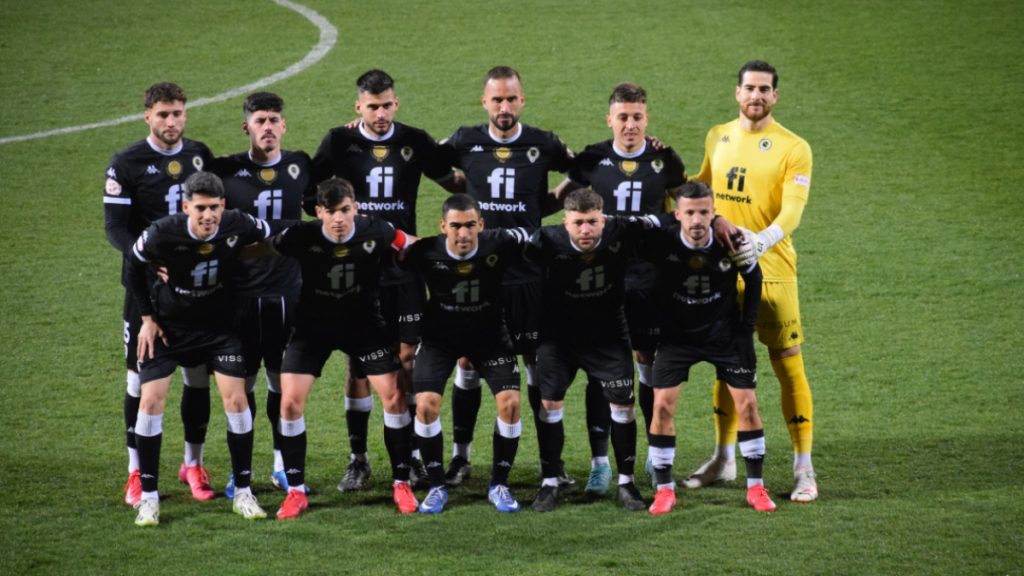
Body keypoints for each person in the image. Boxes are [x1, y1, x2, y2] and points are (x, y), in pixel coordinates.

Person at [311, 69, 458, 492]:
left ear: (397, 104)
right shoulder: (338, 142)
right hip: (359, 269)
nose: (379, 113)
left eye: (386, 105)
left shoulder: (414, 140)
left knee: (407, 358)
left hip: (405, 266)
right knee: (357, 362)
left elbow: (453, 178)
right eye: (371, 106)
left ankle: (410, 453)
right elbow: (310, 193)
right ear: (358, 106)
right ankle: (358, 458)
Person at [437, 66, 574, 486]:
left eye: (511, 98)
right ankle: (461, 458)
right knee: (467, 360)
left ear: (522, 100)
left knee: (536, 362)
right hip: (480, 274)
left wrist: (541, 206)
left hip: (531, 276)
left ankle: (551, 463)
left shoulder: (543, 142)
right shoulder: (465, 139)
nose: (504, 107)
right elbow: (429, 159)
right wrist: (457, 188)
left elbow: (582, 170)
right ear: (484, 102)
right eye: (497, 99)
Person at [688, 60, 818, 503]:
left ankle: (804, 468)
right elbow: (699, 189)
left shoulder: (794, 147)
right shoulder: (717, 135)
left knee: (786, 361)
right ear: (736, 92)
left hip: (773, 268)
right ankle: (724, 459)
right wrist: (661, 169)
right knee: (727, 361)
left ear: (775, 96)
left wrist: (761, 242)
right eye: (749, 88)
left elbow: (793, 211)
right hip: (722, 270)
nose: (756, 96)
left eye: (765, 89)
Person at [552, 82, 686, 493]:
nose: (630, 125)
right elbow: (561, 200)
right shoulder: (592, 158)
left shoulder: (665, 160)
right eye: (623, 117)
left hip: (646, 281)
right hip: (599, 281)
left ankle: (651, 452)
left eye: (637, 117)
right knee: (601, 369)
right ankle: (599, 463)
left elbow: (684, 213)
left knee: (646, 362)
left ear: (647, 118)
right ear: (609, 118)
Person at [126, 172, 273, 526]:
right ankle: (148, 498)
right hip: (167, 329)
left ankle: (242, 491)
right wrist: (147, 316)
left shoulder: (238, 224)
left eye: (214, 208)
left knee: (236, 401)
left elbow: (270, 236)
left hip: (219, 329)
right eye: (201, 208)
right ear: (186, 206)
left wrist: (241, 264)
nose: (208, 216)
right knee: (150, 401)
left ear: (223, 206)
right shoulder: (163, 232)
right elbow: (132, 266)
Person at [271, 178, 418, 519]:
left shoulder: (376, 231)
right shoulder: (300, 236)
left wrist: (455, 249)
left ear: (356, 207)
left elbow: (410, 244)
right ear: (319, 211)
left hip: (363, 325)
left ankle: (401, 483)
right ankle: (295, 491)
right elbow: (259, 250)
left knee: (394, 397)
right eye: (332, 212)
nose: (339, 219)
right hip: (313, 328)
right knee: (290, 401)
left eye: (346, 210)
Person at [103, 82, 216, 508]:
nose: (172, 122)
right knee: (139, 379)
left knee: (198, 375)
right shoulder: (127, 163)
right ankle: (136, 471)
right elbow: (115, 228)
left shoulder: (199, 154)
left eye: (178, 114)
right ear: (147, 115)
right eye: (163, 114)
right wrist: (149, 262)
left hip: (197, 289)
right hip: (145, 289)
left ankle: (193, 463)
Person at [640, 181, 775, 515]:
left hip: (724, 336)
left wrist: (746, 328)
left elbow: (754, 278)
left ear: (714, 213)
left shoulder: (732, 241)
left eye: (704, 212)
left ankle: (756, 487)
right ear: (678, 215)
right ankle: (664, 489)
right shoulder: (662, 242)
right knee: (661, 408)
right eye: (690, 213)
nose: (697, 219)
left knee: (748, 407)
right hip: (677, 338)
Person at [526, 189, 660, 512]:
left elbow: (665, 221)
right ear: (565, 222)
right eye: (579, 223)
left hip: (609, 334)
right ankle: (550, 481)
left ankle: (626, 483)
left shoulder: (621, 230)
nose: (586, 230)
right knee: (549, 402)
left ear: (604, 219)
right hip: (559, 337)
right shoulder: (544, 240)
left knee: (623, 406)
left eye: (593, 222)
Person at [212, 91, 314, 498]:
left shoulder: (301, 164)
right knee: (243, 388)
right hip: (239, 298)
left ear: (283, 126)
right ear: (247, 128)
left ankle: (280, 465)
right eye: (260, 121)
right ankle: (243, 471)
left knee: (281, 385)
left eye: (274, 119)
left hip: (288, 295)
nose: (267, 127)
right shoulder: (226, 171)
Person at [400, 194, 529, 514]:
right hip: (439, 341)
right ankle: (435, 485)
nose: (463, 233)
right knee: (426, 407)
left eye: (471, 225)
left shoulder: (500, 243)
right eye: (456, 226)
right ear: (443, 226)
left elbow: (541, 238)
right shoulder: (423, 251)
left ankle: (499, 484)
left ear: (481, 225)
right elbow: (389, 257)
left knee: (511, 404)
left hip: (490, 339)